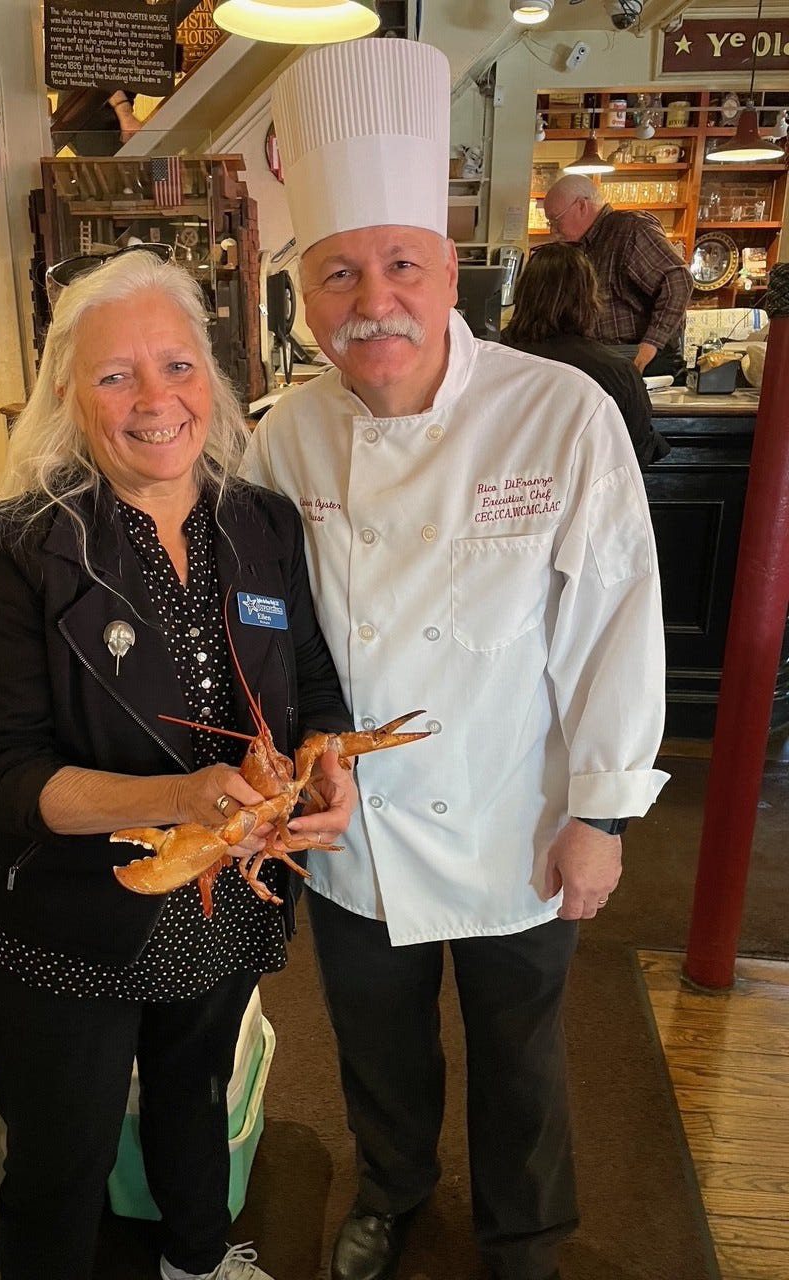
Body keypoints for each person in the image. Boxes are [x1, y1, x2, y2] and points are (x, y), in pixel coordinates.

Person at [240, 38, 669, 1280]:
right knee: (376, 1039)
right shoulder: (284, 440)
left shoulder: (558, 411)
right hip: (353, 817)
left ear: (448, 271)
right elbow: (262, 632)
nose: (374, 297)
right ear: (305, 296)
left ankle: (525, 1234)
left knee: (522, 1042)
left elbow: (616, 625)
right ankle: (392, 1188)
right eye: (339, 272)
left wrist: (601, 811)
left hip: (512, 800)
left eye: (401, 265)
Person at [0, 249, 359, 1280]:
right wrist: (179, 795)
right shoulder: (21, 545)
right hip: (67, 915)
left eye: (174, 366)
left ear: (210, 380)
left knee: (195, 1093)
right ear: (69, 399)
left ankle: (197, 1257)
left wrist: (327, 770)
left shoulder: (258, 522)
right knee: (62, 1153)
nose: (153, 401)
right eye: (114, 375)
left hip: (220, 899)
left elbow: (309, 686)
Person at [503, 243, 670, 465]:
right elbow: (636, 451)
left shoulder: (492, 358)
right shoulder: (616, 371)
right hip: (592, 494)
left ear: (523, 294)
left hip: (506, 492)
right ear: (589, 298)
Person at [542, 172, 693, 376]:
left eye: (555, 219)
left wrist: (651, 344)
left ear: (581, 206)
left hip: (641, 361)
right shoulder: (585, 246)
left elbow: (678, 280)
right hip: (610, 360)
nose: (553, 230)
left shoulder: (629, 229)